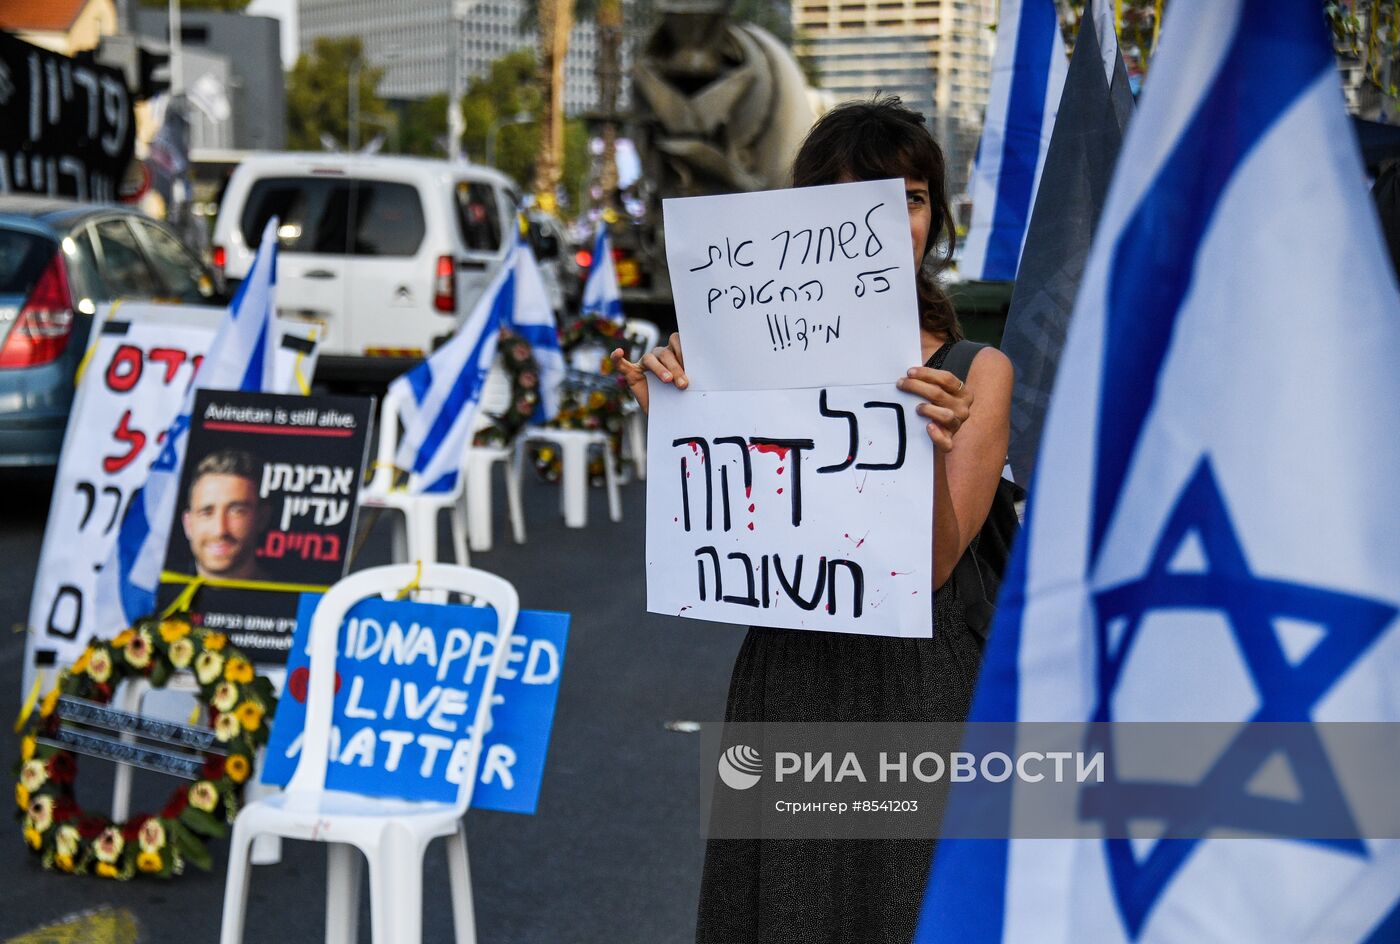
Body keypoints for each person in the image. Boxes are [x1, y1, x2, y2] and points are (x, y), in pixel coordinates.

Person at [611, 97, 1014, 943]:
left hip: (917, 686)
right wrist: (679, 411)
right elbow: (730, 517)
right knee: (781, 910)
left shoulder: (977, 372)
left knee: (902, 910)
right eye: (860, 199)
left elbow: (935, 565)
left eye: (909, 197)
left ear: (934, 216)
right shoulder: (743, 349)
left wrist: (935, 442)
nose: (889, 222)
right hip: (790, 667)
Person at [181, 449, 269, 581]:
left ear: (262, 518)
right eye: (206, 512)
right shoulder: (153, 595)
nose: (220, 530)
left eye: (237, 511)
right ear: (188, 524)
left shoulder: (296, 599)